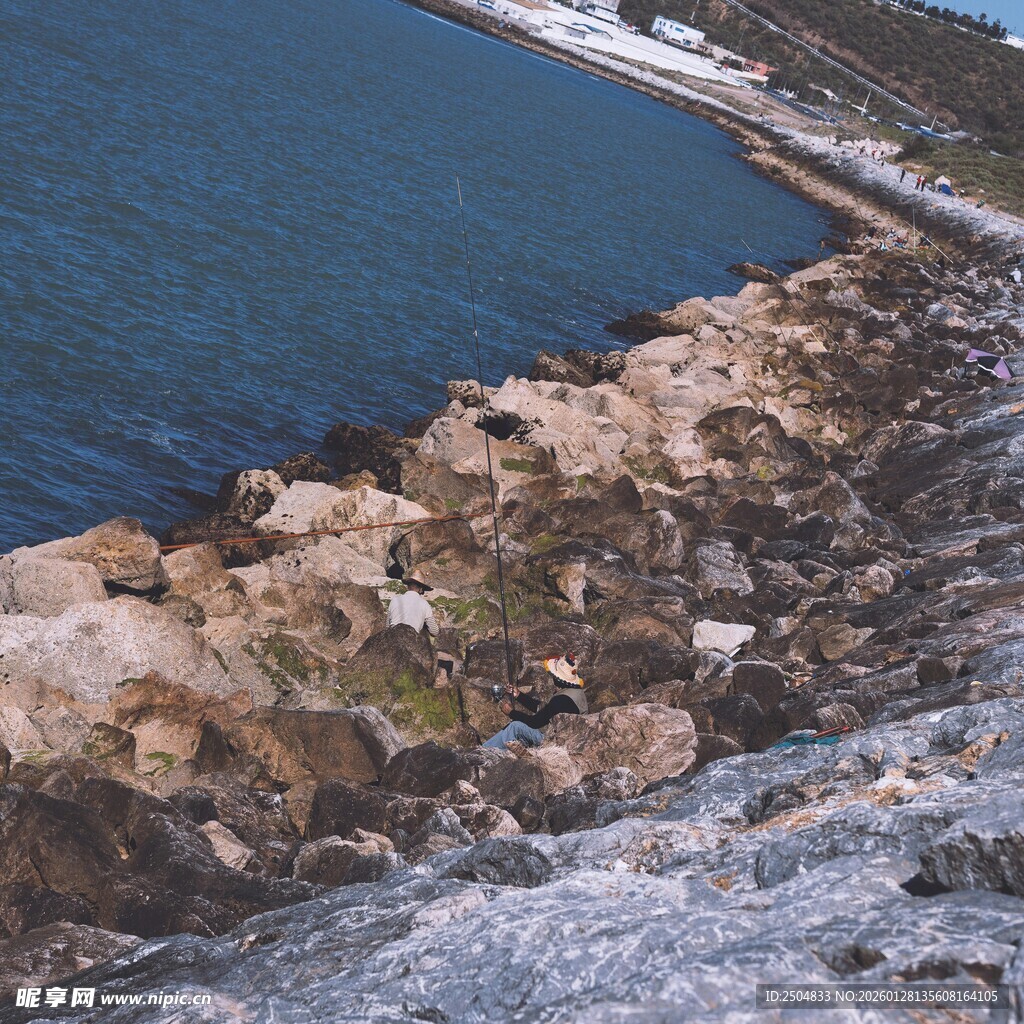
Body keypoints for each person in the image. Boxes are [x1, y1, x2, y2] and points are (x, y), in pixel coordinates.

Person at [483, 654, 588, 752]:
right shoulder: (576, 692)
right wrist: (519, 695)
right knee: (519, 729)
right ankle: (490, 749)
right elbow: (545, 710)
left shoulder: (561, 700)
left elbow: (535, 722)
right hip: (570, 739)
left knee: (515, 726)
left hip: (555, 743)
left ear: (558, 679)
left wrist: (511, 713)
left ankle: (486, 752)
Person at [386, 572, 438, 637]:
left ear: (408, 586)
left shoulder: (394, 600)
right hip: (411, 639)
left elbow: (387, 627)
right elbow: (434, 631)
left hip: (393, 637)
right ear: (421, 589)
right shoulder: (425, 604)